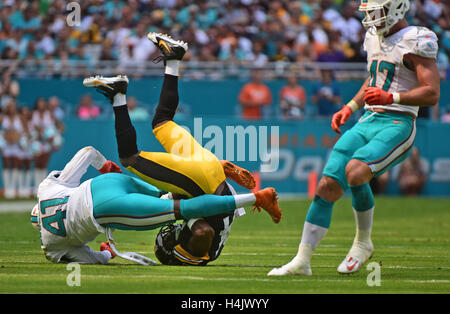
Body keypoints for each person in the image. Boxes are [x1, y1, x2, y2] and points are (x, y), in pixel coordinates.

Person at [269, 0, 440, 276]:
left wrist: (392, 97)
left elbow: (432, 93)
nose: (371, 18)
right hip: (368, 119)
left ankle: (362, 243)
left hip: (398, 122)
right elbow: (373, 80)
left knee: (356, 171)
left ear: (396, 8)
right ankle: (302, 261)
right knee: (326, 185)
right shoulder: (374, 37)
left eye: (377, 11)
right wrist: (349, 106)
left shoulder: (416, 39)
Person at [83, 32, 281, 266]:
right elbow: (202, 232)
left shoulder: (207, 231)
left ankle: (173, 58)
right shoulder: (202, 244)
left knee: (162, 121)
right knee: (130, 158)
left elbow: (169, 194)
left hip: (210, 170)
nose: (170, 232)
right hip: (201, 179)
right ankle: (118, 95)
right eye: (168, 239)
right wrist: (178, 253)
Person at [30, 146, 282, 264]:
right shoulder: (46, 190)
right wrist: (106, 167)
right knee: (171, 191)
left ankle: (255, 198)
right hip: (104, 184)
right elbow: (86, 152)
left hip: (104, 209)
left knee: (180, 211)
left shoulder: (50, 247)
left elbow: (95, 259)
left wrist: (107, 251)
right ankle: (214, 173)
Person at [0, 100, 23, 198]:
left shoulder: (19, 118)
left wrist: (19, 138)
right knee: (6, 164)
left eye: (13, 107)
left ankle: (13, 188)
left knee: (15, 164)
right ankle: (6, 188)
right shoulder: (3, 117)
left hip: (16, 144)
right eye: (10, 107)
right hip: (6, 144)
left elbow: (23, 130)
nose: (12, 109)